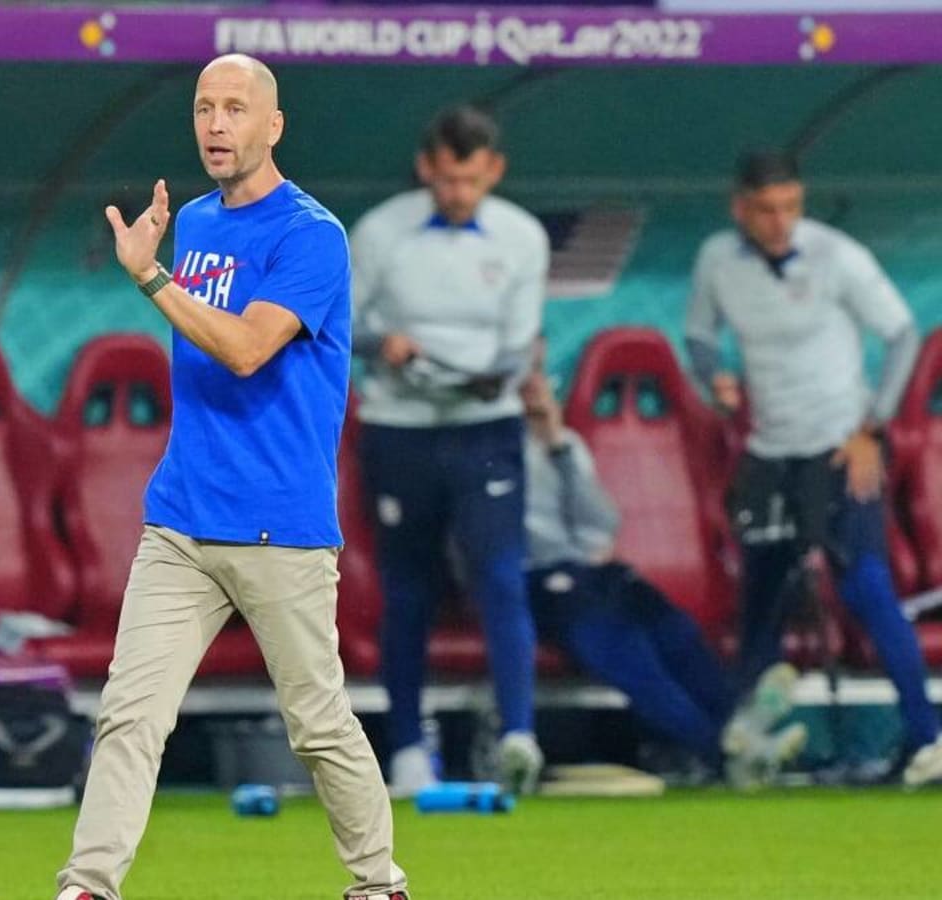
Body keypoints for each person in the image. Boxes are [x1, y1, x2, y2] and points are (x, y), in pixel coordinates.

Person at [53, 54, 407, 900]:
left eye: (236, 109)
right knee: (130, 717)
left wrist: (149, 276)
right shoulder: (198, 222)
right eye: (205, 108)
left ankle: (378, 884)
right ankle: (87, 886)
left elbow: (247, 349)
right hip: (181, 520)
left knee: (318, 724)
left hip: (278, 522)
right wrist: (163, 268)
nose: (216, 124)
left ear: (273, 126)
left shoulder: (311, 235)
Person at [684, 150, 942, 788]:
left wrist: (870, 429)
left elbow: (903, 334)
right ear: (739, 208)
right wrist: (711, 374)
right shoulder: (718, 259)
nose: (781, 222)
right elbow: (697, 334)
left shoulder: (837, 256)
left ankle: (927, 738)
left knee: (865, 588)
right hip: (771, 454)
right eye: (767, 210)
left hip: (837, 447)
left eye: (791, 207)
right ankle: (750, 746)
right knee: (761, 598)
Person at [349, 105, 549, 796]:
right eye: (446, 177)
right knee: (408, 591)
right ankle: (406, 747)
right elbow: (331, 322)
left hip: (485, 428)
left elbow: (520, 342)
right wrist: (383, 345)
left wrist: (501, 374)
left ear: (493, 170)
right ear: (427, 166)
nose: (457, 192)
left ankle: (519, 736)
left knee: (500, 578)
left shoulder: (523, 238)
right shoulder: (379, 232)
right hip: (400, 428)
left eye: (470, 179)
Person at [518, 345, 806, 787]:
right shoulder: (493, 450)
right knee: (632, 652)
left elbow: (603, 523)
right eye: (527, 372)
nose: (538, 384)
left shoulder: (566, 445)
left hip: (594, 572)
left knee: (675, 629)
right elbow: (520, 540)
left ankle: (740, 727)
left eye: (540, 370)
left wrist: (556, 447)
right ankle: (720, 749)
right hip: (538, 580)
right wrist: (579, 548)